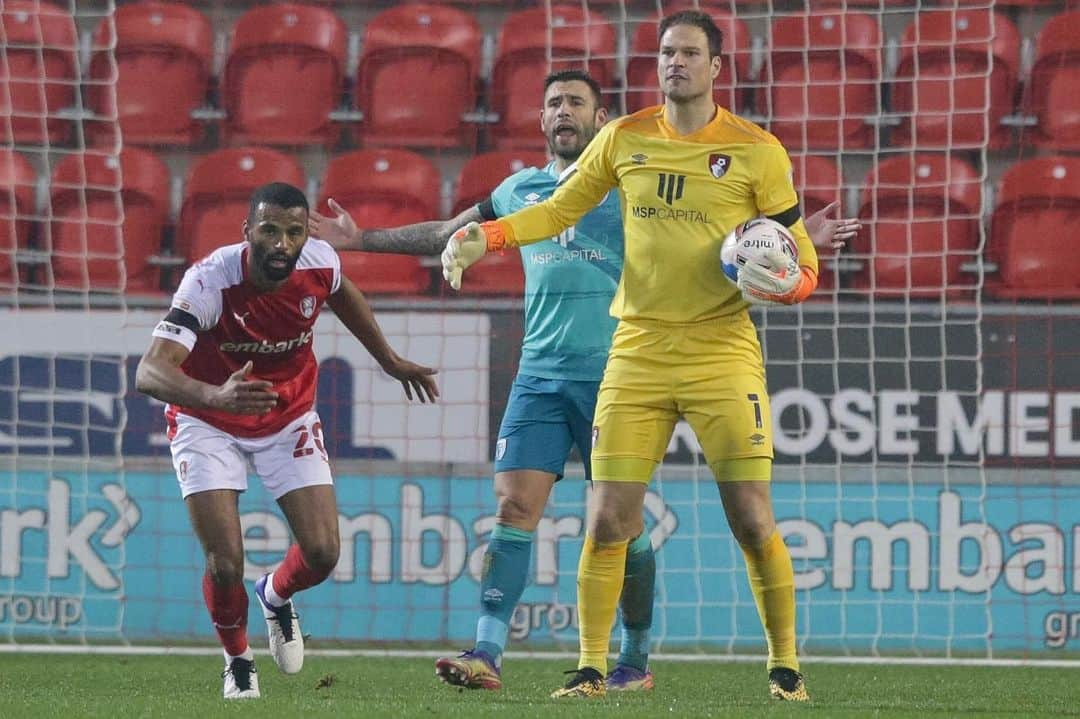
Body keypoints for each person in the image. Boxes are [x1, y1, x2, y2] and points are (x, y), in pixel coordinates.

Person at [313, 64, 857, 695]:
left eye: (576, 102)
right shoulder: (520, 190)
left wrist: (784, 245)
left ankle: (634, 655)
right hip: (540, 374)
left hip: (620, 369)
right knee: (514, 506)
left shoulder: (632, 186)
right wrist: (363, 239)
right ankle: (487, 651)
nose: (563, 111)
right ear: (541, 119)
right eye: (553, 103)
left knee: (621, 525)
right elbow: (448, 233)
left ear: (603, 123)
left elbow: (709, 243)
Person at [135, 182, 439, 700]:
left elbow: (343, 294)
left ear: (305, 236)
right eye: (270, 230)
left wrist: (389, 360)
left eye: (293, 232)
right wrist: (216, 395)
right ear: (248, 231)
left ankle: (275, 595)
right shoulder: (209, 281)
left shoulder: (318, 261)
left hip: (288, 416)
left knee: (322, 553)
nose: (281, 242)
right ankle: (237, 660)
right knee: (224, 559)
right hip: (206, 418)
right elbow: (149, 372)